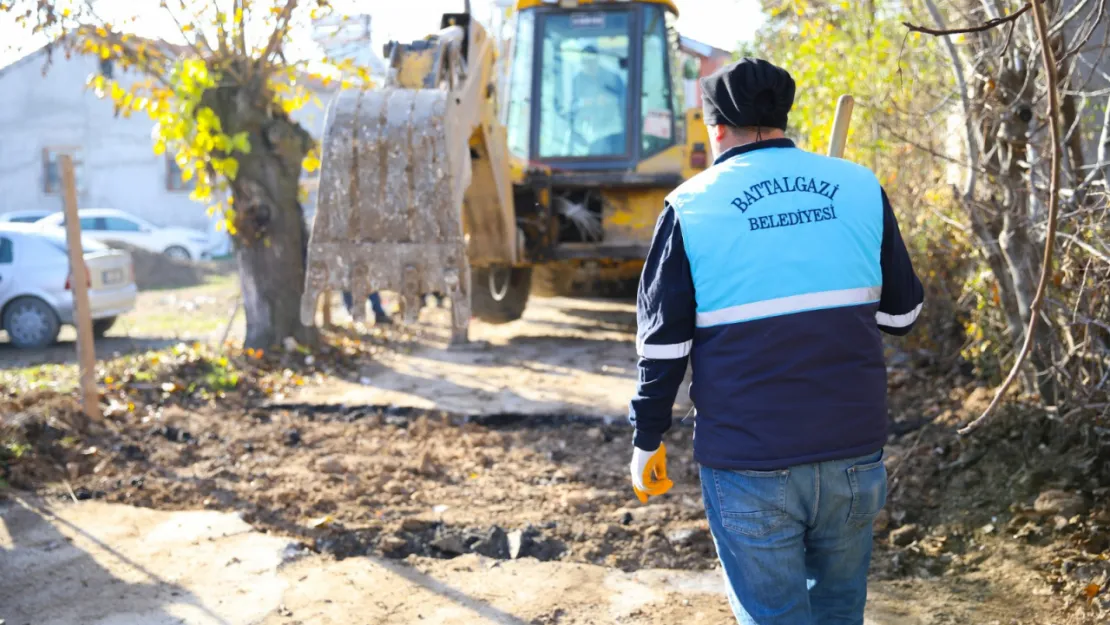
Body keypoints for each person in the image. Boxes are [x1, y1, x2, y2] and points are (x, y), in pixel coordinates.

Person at [627, 58, 924, 625]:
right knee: (840, 613)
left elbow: (663, 346)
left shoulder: (692, 207)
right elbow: (903, 315)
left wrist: (647, 436)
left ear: (715, 128)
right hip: (853, 459)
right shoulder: (859, 186)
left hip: (749, 464)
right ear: (784, 116)